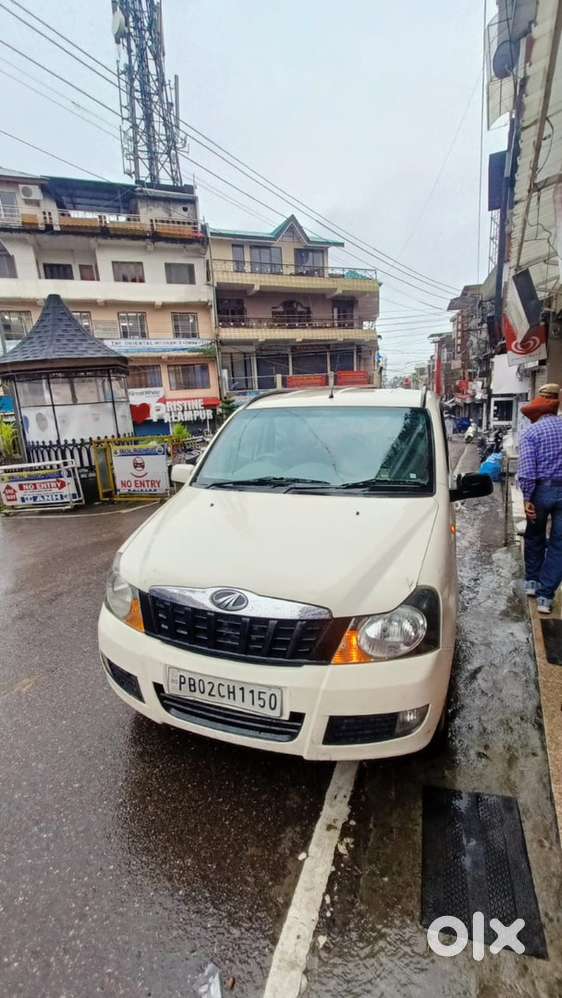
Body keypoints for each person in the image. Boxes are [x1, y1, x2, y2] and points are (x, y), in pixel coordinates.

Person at [518, 384, 562, 614]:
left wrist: (527, 497)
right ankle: (545, 597)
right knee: (559, 544)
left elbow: (527, 471)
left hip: (541, 491)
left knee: (534, 535)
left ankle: (532, 582)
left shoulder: (532, 432)